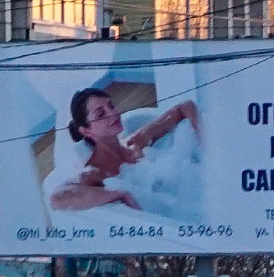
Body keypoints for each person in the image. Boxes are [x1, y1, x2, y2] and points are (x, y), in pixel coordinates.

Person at [47, 88, 200, 212]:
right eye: (101, 114)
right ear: (86, 131)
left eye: (111, 106)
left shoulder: (136, 143)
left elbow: (185, 107)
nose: (113, 113)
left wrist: (203, 140)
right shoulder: (96, 171)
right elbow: (57, 198)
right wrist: (119, 194)